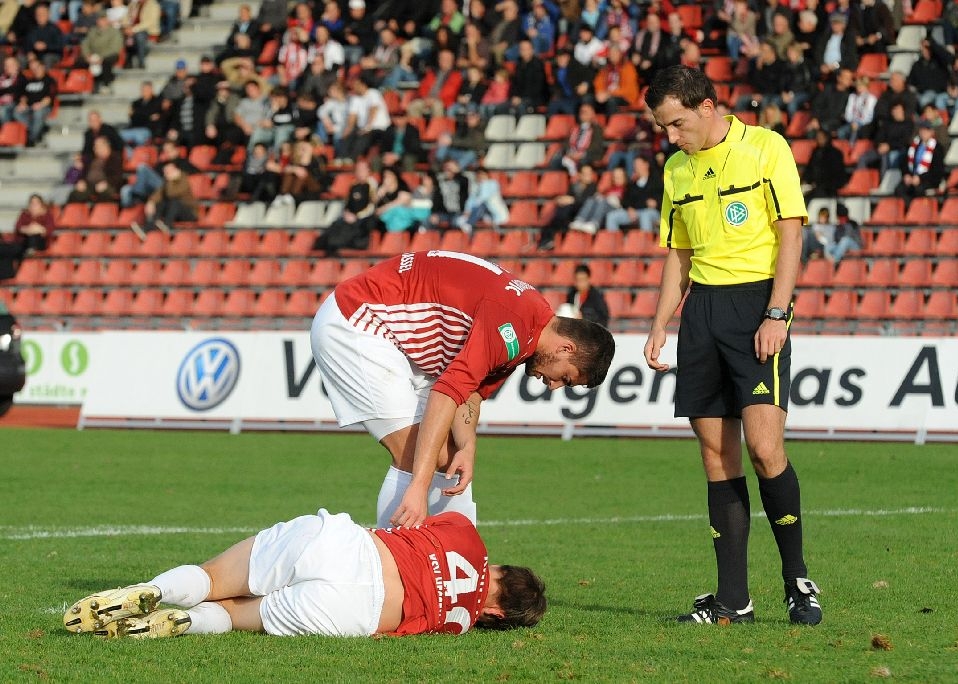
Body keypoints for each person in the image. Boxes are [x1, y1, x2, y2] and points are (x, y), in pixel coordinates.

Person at [643, 65, 822, 626]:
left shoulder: (766, 149)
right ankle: (733, 599)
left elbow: (791, 233)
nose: (672, 137)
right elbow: (679, 254)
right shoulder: (676, 170)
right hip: (702, 314)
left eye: (676, 124)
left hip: (755, 308)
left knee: (766, 450)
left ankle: (798, 583)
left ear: (706, 105)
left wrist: (777, 312)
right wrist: (659, 322)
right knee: (716, 458)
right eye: (663, 128)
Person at [310, 250, 615, 528]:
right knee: (414, 456)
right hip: (356, 322)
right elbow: (446, 392)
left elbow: (469, 392)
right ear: (566, 348)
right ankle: (394, 572)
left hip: (391, 335)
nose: (553, 386)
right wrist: (419, 486)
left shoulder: (529, 325)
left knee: (450, 459)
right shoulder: (512, 329)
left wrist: (467, 448)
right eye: (566, 378)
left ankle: (461, 564)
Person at [64, 509, 546, 639]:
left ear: (500, 568)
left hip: (348, 546)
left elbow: (412, 522)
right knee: (234, 616)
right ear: (499, 612)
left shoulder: (467, 533)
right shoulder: (459, 625)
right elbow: (395, 634)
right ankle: (184, 623)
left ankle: (155, 589)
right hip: (356, 611)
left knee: (213, 577)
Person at [564, 263, 610, 328]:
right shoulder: (571, 295)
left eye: (582, 280)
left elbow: (603, 318)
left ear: (588, 279)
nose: (580, 283)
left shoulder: (596, 297)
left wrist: (584, 318)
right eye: (578, 280)